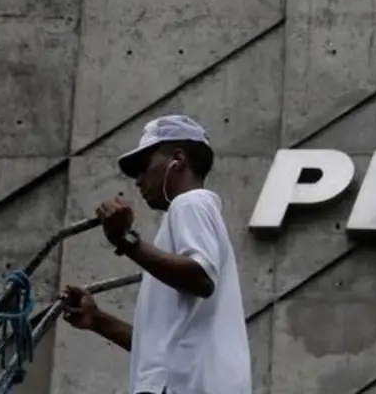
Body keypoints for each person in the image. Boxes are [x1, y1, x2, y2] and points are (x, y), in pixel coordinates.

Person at [60, 114, 252, 394]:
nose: (138, 181)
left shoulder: (190, 203)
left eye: (144, 166)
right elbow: (156, 352)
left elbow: (201, 278)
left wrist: (125, 241)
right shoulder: (188, 216)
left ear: (178, 159)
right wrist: (97, 320)